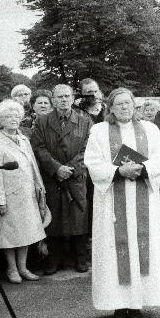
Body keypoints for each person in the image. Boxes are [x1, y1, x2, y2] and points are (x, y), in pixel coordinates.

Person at [84, 87, 160, 318]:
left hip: (142, 194)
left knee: (142, 244)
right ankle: (117, 304)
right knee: (114, 249)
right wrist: (118, 170)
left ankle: (138, 304)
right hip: (113, 200)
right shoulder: (99, 131)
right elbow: (92, 162)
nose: (124, 107)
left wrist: (143, 169)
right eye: (119, 104)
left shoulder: (150, 130)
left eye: (128, 103)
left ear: (135, 106)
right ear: (110, 107)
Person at [31, 84, 93, 274]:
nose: (63, 100)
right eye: (59, 97)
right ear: (53, 100)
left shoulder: (85, 120)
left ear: (73, 98)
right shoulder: (43, 121)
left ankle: (80, 259)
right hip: (53, 178)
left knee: (79, 218)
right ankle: (53, 260)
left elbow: (88, 148)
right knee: (55, 220)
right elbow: (38, 147)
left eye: (67, 96)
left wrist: (71, 168)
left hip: (76, 177)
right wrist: (57, 168)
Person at [0, 100, 49, 283]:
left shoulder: (23, 139)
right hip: (9, 195)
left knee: (27, 232)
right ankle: (12, 269)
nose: (13, 119)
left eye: (16, 115)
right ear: (1, 120)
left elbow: (33, 166)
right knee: (9, 235)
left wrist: (40, 188)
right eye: (8, 116)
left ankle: (23, 268)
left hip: (27, 194)